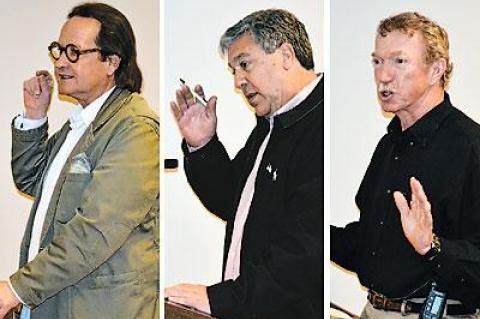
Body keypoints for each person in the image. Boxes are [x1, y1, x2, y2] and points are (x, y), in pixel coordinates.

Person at [0, 3, 159, 318]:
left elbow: (97, 230)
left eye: (74, 52)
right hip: (53, 301)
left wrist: (18, 289)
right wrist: (34, 116)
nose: (60, 62)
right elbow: (32, 180)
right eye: (58, 50)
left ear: (111, 61)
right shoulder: (82, 123)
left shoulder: (134, 127)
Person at [166, 8, 323, 319]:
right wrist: (203, 146)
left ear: (286, 55)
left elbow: (305, 252)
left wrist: (222, 299)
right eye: (233, 71)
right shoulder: (271, 124)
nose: (238, 82)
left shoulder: (320, 124)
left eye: (245, 65)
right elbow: (233, 203)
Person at [331, 12, 480, 318]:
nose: (383, 76)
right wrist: (311, 231)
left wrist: (432, 247)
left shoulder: (471, 146)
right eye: (377, 61)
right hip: (372, 310)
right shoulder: (389, 144)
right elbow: (368, 245)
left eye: (399, 62)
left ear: (436, 69)